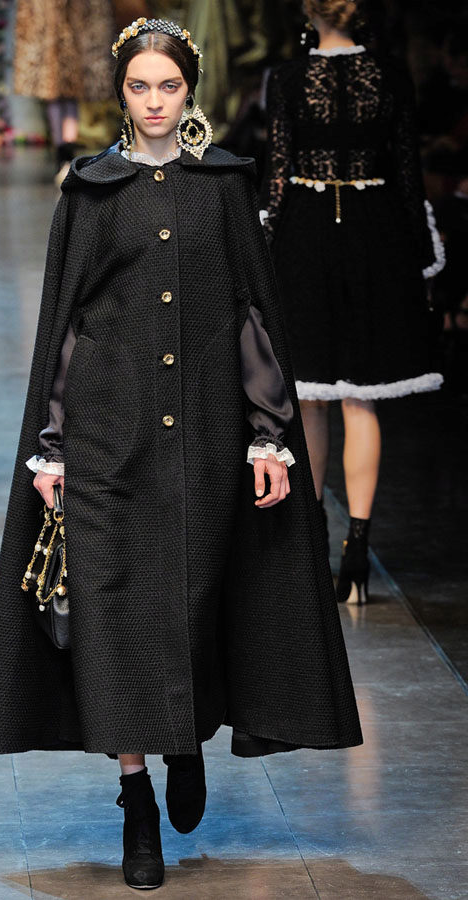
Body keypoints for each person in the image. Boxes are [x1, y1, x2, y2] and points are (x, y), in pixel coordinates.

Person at [0, 17, 362, 891]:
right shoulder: (89, 190)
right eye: (139, 87)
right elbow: (64, 330)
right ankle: (136, 799)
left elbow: (252, 318)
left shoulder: (222, 186)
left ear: (189, 89)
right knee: (114, 617)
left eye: (170, 86)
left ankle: (182, 738)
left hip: (205, 435)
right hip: (105, 440)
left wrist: (269, 434)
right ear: (120, 92)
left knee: (192, 599)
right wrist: (51, 451)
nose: (154, 103)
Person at [260, 0, 445, 606]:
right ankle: (357, 551)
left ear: (309, 12)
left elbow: (278, 174)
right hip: (374, 229)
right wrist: (423, 257)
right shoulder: (390, 76)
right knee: (360, 398)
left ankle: (311, 545)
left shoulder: (288, 78)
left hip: (307, 230)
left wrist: (262, 249)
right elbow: (408, 170)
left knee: (311, 396)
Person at [13, 0, 114, 184]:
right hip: (50, 20)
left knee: (68, 88)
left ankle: (66, 151)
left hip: (73, 20)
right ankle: (63, 152)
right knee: (53, 87)